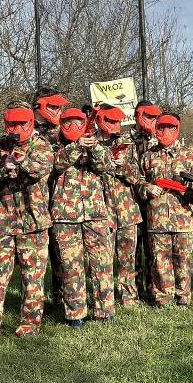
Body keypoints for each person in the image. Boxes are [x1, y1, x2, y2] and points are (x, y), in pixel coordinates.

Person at [0, 101, 54, 345]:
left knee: (32, 278)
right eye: (12, 124)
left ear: (30, 122)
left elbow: (39, 170)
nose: (16, 129)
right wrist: (2, 168)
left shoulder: (41, 145)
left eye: (21, 123)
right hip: (5, 223)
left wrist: (20, 161)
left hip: (34, 222)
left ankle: (30, 325)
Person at [52, 107, 115, 328]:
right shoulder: (53, 145)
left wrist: (93, 146)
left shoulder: (97, 145)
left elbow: (104, 166)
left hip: (95, 214)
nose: (74, 127)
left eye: (78, 122)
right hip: (65, 216)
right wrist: (76, 146)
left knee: (102, 263)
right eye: (68, 122)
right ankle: (75, 314)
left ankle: (104, 311)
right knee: (71, 266)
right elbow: (56, 165)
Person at [136, 113, 193, 307]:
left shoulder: (188, 155)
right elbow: (138, 181)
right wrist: (147, 187)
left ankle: (183, 298)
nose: (166, 131)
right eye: (161, 127)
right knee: (159, 261)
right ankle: (163, 299)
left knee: (182, 260)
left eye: (170, 127)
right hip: (157, 219)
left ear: (177, 129)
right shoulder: (148, 156)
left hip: (183, 218)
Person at [97, 104, 144, 306]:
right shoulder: (91, 144)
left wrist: (123, 164)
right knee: (102, 259)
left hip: (127, 211)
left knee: (127, 259)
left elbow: (136, 177)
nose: (115, 125)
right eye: (110, 121)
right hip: (101, 211)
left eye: (117, 121)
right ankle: (105, 298)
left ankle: (128, 297)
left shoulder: (127, 144)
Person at [32, 87, 70, 306]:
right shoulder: (25, 128)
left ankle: (61, 300)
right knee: (34, 258)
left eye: (59, 107)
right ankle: (33, 303)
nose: (58, 111)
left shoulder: (63, 130)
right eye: (53, 106)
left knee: (61, 254)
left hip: (59, 200)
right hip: (33, 203)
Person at [128, 100, 162, 302]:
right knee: (134, 250)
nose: (151, 120)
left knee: (154, 248)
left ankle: (153, 288)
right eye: (147, 116)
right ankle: (136, 290)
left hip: (155, 202)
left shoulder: (159, 137)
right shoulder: (127, 140)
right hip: (132, 200)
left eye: (153, 117)